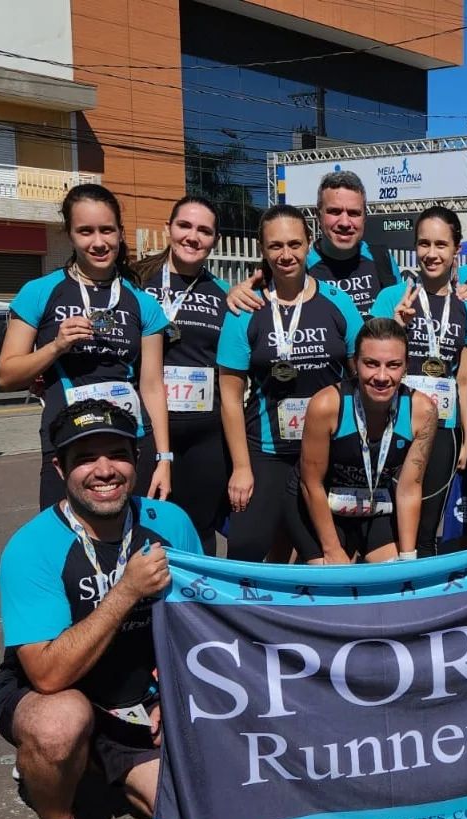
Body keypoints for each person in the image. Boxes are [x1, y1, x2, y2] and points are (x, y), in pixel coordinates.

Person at [0, 399, 201, 819]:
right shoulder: (31, 546)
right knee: (59, 726)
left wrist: (174, 695)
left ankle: (104, 764)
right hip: (56, 693)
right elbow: (47, 675)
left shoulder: (171, 522)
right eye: (85, 458)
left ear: (137, 460)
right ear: (59, 468)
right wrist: (125, 591)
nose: (104, 470)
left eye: (116, 454)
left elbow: (199, 624)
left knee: (192, 815)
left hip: (142, 698)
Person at [0, 184, 172, 510]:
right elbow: (7, 375)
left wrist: (163, 457)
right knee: (67, 544)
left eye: (107, 230)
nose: (98, 242)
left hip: (129, 440)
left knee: (134, 542)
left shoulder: (142, 303)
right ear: (69, 234)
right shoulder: (39, 292)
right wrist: (56, 346)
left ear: (120, 232)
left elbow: (151, 386)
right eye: (85, 231)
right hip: (66, 441)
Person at [216, 204, 363, 562]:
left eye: (295, 244)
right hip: (267, 450)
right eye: (276, 246)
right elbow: (230, 397)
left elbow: (362, 372)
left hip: (325, 450)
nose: (286, 255)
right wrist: (241, 467)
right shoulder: (245, 309)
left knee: (326, 555)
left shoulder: (338, 303)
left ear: (309, 245)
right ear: (262, 250)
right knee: (247, 551)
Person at [371, 206, 467, 556]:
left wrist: (464, 439)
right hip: (397, 422)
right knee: (391, 515)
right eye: (423, 244)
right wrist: (396, 325)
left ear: (456, 250)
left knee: (428, 520)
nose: (431, 254)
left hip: (444, 427)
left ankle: (421, 594)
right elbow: (374, 366)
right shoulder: (392, 298)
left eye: (440, 244)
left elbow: (463, 379)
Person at [286, 317, 438, 563]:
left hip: (375, 504)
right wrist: (332, 551)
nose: (381, 376)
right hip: (319, 502)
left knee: (390, 581)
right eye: (370, 364)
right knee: (334, 584)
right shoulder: (326, 404)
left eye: (393, 365)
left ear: (406, 366)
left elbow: (409, 489)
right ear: (355, 363)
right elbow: (310, 483)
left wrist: (408, 558)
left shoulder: (424, 411)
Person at [133, 196, 230, 555]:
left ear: (214, 240)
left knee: (198, 530)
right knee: (144, 525)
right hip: (144, 430)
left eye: (204, 230)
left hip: (205, 435)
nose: (193, 236)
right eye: (185, 226)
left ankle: (196, 607)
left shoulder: (223, 294)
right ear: (168, 230)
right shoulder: (136, 283)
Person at [225, 170, 401, 317]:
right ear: (318, 215)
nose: (345, 222)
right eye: (334, 211)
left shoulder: (382, 260)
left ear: (364, 217)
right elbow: (253, 297)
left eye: (354, 213)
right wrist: (236, 293)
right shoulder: (297, 262)